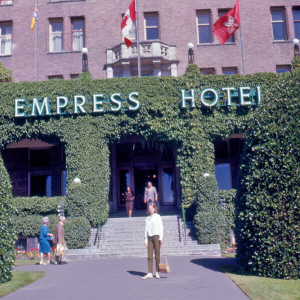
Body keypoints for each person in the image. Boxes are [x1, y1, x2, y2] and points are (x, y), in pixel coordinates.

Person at [142, 202, 164, 280]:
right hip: (149, 237)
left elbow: (161, 227)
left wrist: (161, 238)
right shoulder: (147, 218)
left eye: (152, 208)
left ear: (155, 209)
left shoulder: (158, 217)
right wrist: (145, 240)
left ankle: (157, 272)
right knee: (149, 255)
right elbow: (146, 229)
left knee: (157, 255)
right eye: (149, 208)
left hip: (156, 237)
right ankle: (150, 273)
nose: (150, 209)